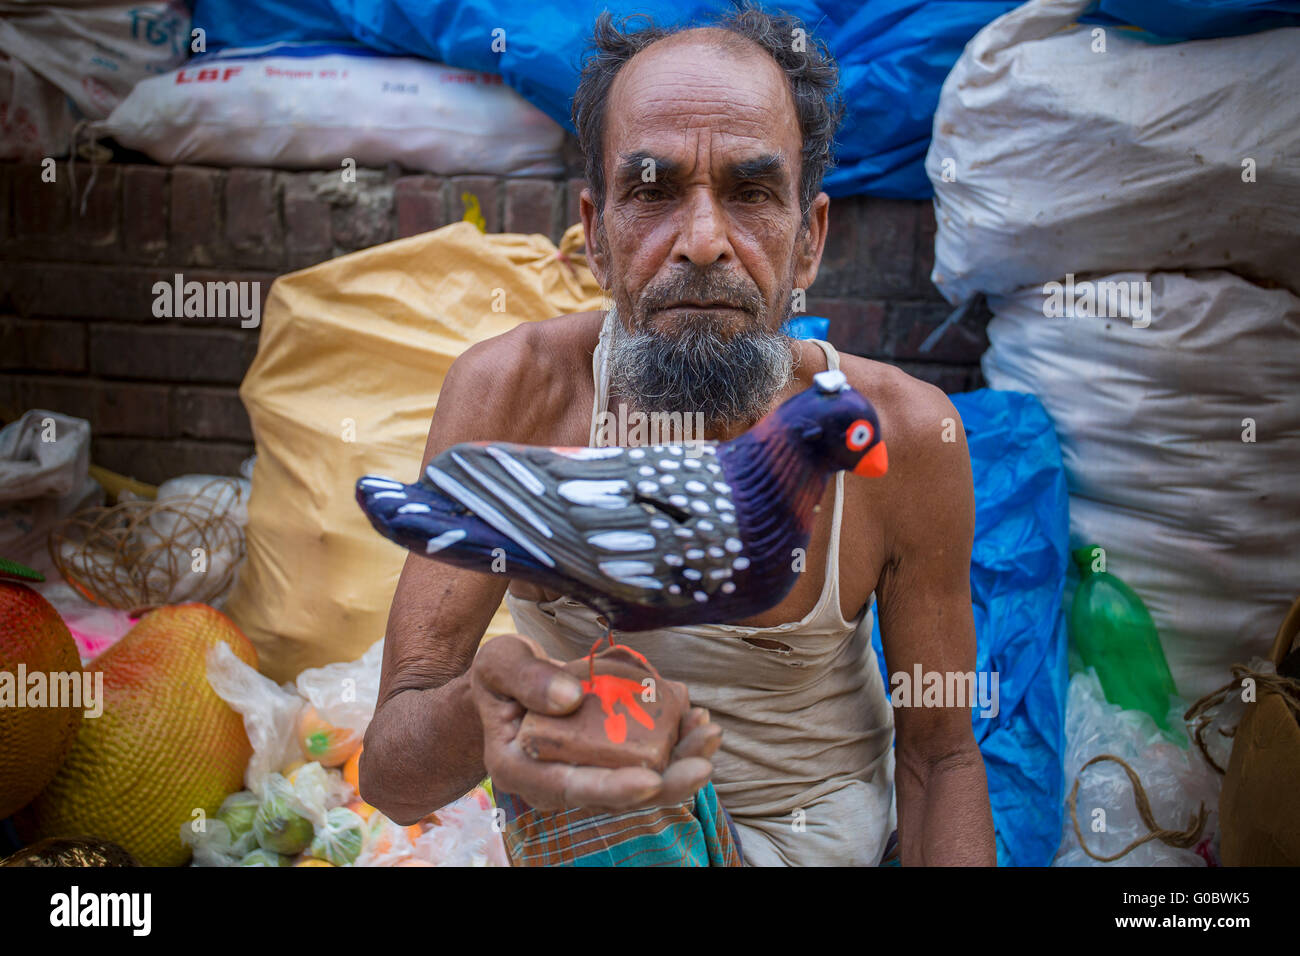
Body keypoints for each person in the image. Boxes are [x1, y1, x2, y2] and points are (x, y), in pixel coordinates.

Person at [360, 4, 995, 866]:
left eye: (752, 193)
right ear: (597, 234)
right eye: (652, 191)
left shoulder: (907, 436)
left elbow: (941, 756)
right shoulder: (514, 396)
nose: (702, 242)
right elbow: (394, 781)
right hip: (601, 841)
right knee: (616, 756)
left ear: (809, 242)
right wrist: (491, 703)